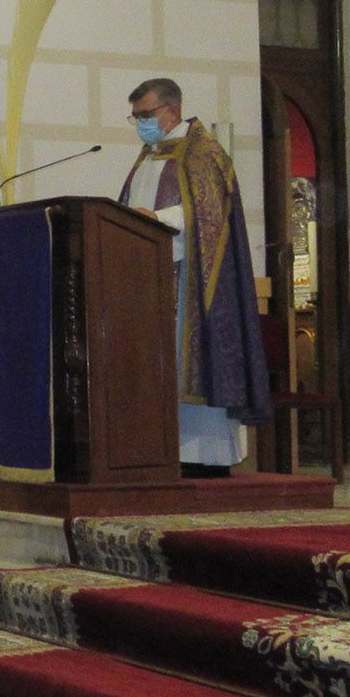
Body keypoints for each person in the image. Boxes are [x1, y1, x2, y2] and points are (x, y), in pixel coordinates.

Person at [120, 78, 270, 476]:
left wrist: (158, 221)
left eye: (145, 115)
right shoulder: (149, 155)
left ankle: (204, 460)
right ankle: (160, 451)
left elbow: (210, 216)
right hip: (149, 281)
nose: (140, 123)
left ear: (171, 110)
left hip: (192, 283)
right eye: (135, 117)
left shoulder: (202, 153)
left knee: (192, 366)